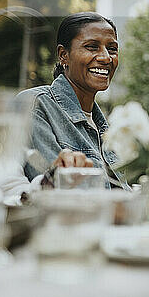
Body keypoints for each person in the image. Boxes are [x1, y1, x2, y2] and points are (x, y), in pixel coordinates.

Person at [17, 12, 124, 188]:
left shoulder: (106, 128)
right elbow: (53, 183)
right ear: (63, 55)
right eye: (92, 47)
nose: (106, 58)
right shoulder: (34, 105)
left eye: (112, 49)